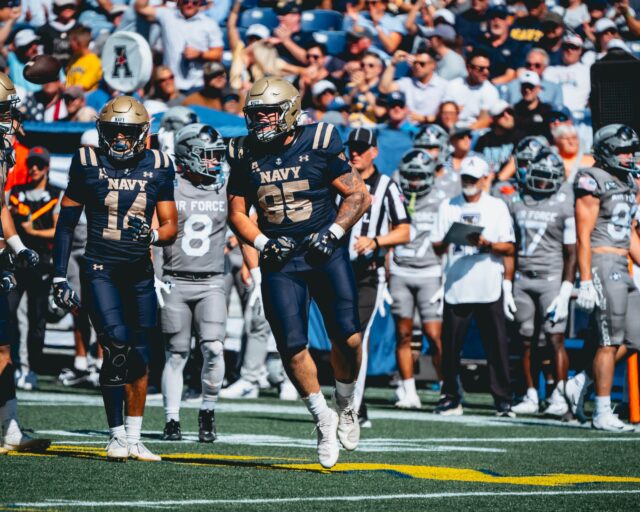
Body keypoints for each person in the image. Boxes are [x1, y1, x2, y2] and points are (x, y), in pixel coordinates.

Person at [226, 77, 370, 469]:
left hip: (324, 251)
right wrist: (262, 244)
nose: (261, 120)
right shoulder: (242, 151)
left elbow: (358, 194)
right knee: (291, 345)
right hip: (281, 258)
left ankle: (345, 403)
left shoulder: (319, 140)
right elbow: (237, 213)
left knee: (349, 338)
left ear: (289, 111)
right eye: (256, 113)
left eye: (269, 112)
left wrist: (334, 232)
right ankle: (322, 418)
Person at [51, 96, 178, 461]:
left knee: (140, 352)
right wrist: (59, 276)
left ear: (144, 133)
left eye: (127, 133)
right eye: (113, 132)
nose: (120, 140)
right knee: (117, 344)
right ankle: (115, 434)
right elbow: (66, 223)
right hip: (100, 269)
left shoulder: (159, 164)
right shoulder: (87, 161)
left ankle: (134, 438)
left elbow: (170, 226)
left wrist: (152, 235)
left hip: (139, 271)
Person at [566, 124, 640, 432]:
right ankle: (602, 411)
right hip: (601, 260)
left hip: (622, 261)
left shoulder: (628, 181)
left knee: (635, 336)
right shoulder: (591, 178)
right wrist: (585, 279)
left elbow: (629, 233)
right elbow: (583, 234)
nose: (630, 156)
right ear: (607, 150)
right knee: (609, 341)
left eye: (631, 150)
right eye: (624, 151)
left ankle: (582, 380)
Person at [430, 155, 516, 417]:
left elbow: (509, 247)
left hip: (488, 283)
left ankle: (503, 400)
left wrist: (487, 244)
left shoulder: (497, 207)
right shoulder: (448, 205)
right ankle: (451, 396)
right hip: (457, 284)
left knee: (497, 346)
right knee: (451, 347)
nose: (468, 182)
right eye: (465, 178)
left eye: (473, 178)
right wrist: (451, 238)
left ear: (484, 179)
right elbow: (436, 246)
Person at [159, 124, 227, 443]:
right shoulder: (170, 187)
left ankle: (207, 410)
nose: (215, 161)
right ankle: (172, 419)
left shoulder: (224, 187)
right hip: (175, 279)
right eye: (208, 155)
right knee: (176, 353)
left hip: (211, 281)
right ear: (188, 155)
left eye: (217, 154)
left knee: (214, 348)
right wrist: (155, 275)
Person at [344, 127, 410, 426]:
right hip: (338, 270)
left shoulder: (386, 185)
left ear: (374, 152)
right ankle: (353, 402)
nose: (355, 153)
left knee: (357, 337)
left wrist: (376, 241)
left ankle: (353, 407)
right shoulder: (339, 180)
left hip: (369, 272)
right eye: (351, 148)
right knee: (341, 338)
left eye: (361, 148)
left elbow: (405, 230)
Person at [0, 71, 50, 453]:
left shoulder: (4, 150)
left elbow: (1, 205)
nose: (11, 118)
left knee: (4, 347)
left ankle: (10, 428)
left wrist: (17, 247)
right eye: (4, 110)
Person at [508, 149, 577, 416]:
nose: (543, 182)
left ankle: (560, 395)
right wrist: (507, 283)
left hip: (551, 279)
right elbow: (511, 244)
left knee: (555, 338)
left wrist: (566, 288)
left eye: (549, 177)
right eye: (539, 176)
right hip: (523, 279)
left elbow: (571, 251)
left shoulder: (564, 203)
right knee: (525, 340)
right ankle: (530, 394)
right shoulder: (517, 201)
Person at [390, 149, 446, 409]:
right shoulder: (395, 195)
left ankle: (447, 388)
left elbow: (446, 241)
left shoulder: (441, 199)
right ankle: (408, 390)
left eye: (419, 176)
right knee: (403, 334)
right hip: (401, 271)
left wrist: (445, 275)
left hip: (430, 272)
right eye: (410, 176)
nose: (414, 181)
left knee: (434, 335)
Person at [7, 147, 62, 377]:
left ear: (47, 167)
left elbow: (59, 230)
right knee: (9, 312)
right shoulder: (15, 192)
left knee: (37, 318)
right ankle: (13, 364)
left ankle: (33, 368)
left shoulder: (56, 194)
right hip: (16, 262)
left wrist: (33, 232)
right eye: (31, 164)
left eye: (39, 164)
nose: (35, 168)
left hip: (42, 261)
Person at [134, 0, 224, 93]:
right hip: (171, 85)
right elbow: (141, 8)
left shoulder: (209, 24)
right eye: (185, 1)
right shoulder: (167, 15)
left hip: (198, 86)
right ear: (179, 1)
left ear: (200, 3)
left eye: (194, 2)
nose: (190, 5)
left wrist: (200, 54)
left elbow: (218, 55)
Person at [379, 47, 448, 124]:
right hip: (406, 128)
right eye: (415, 63)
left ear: (433, 65)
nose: (417, 66)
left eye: (422, 64)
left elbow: (448, 114)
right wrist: (393, 64)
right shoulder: (407, 82)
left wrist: (424, 118)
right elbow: (384, 89)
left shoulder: (444, 86)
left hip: (430, 127)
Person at [445, 49, 501, 128]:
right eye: (480, 68)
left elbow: (485, 121)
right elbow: (446, 112)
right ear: (469, 68)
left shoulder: (490, 91)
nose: (486, 72)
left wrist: (464, 132)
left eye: (488, 68)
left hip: (474, 130)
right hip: (450, 127)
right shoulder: (453, 85)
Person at [65, 24, 102, 92]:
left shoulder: (94, 62)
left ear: (78, 42)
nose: (69, 44)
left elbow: (81, 87)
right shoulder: (74, 59)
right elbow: (68, 82)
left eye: (71, 40)